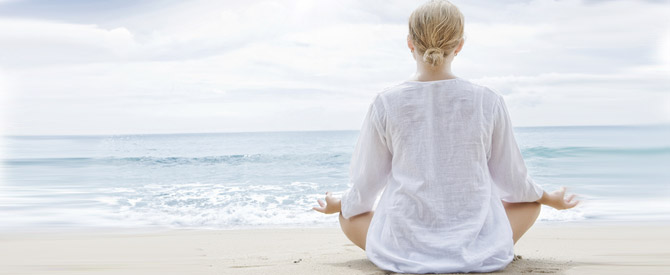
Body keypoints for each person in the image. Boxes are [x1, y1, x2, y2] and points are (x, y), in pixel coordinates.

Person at [312, 0, 579, 273]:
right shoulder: (488, 101)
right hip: (476, 250)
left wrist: (341, 204)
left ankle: (408, 253)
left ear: (409, 43)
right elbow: (512, 181)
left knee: (348, 216)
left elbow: (368, 183)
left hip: (403, 250)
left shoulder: (386, 102)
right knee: (530, 204)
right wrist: (549, 198)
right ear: (459, 45)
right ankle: (478, 249)